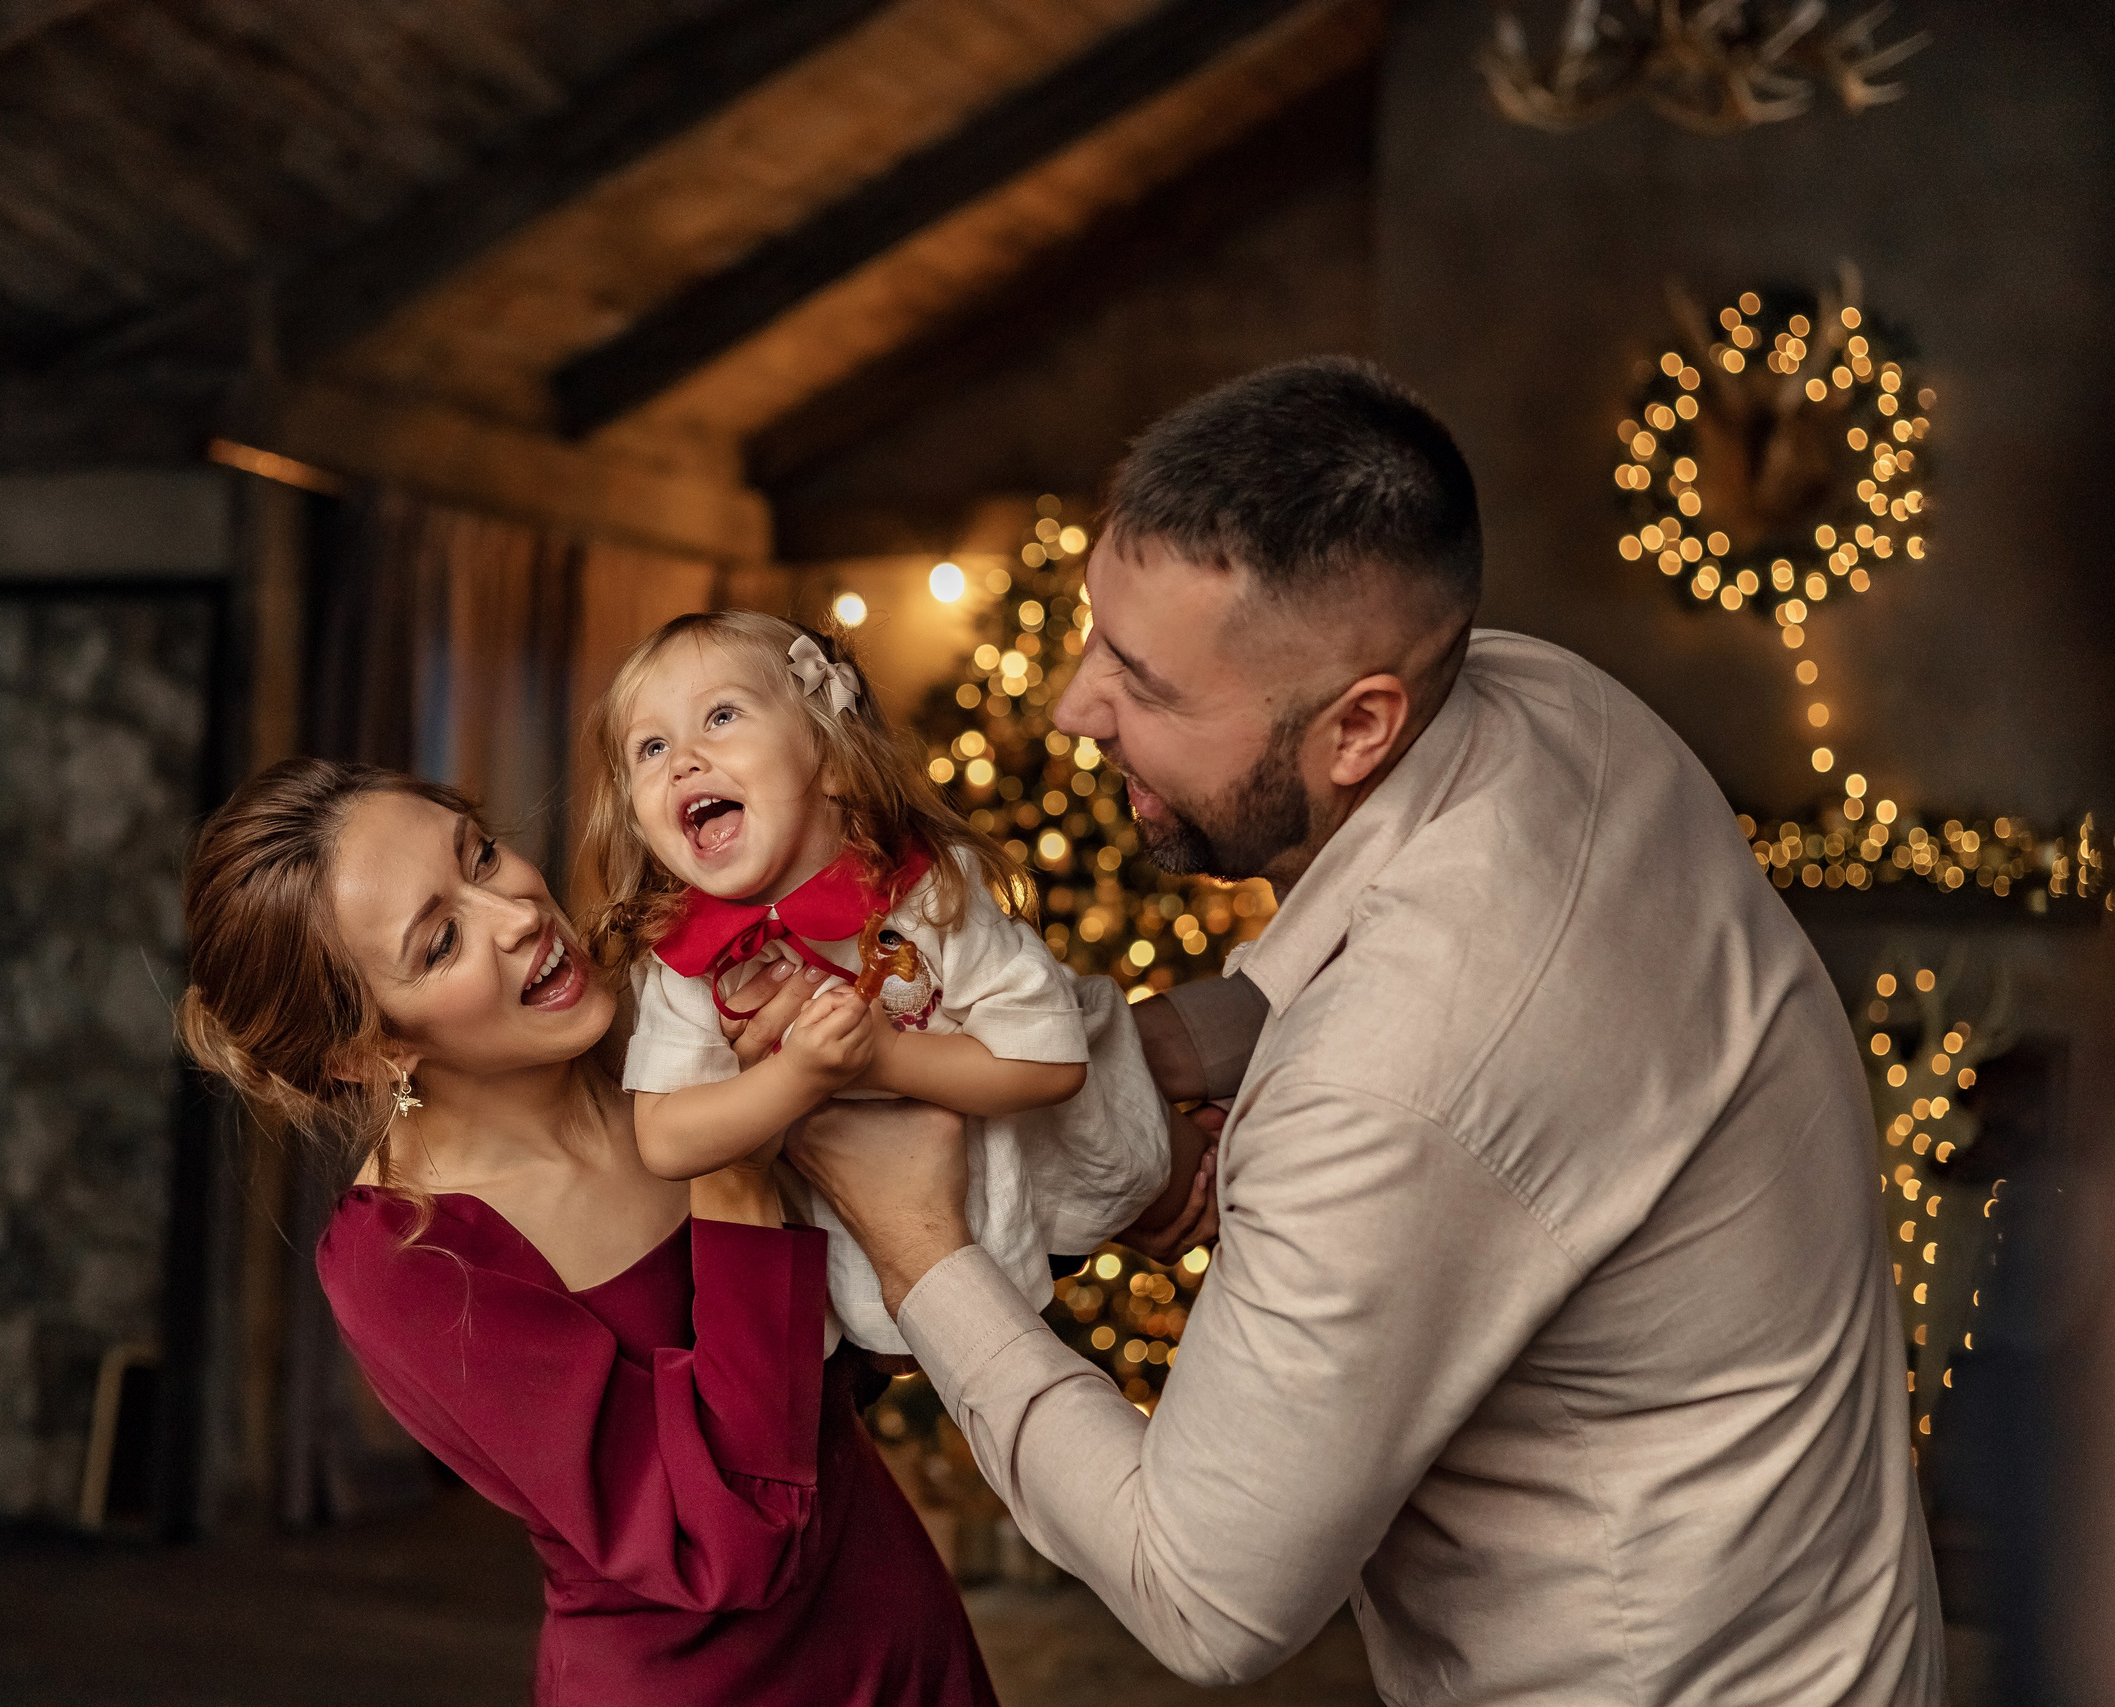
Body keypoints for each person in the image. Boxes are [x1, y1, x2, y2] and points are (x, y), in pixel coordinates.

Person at [773, 357, 1945, 1703]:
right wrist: (1150, 1072)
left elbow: (1203, 1590)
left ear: (1359, 727)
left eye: (1147, 686)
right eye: (1101, 635)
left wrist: (919, 1246)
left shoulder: (1393, 1074)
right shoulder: (1551, 699)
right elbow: (1345, 972)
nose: (1074, 706)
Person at [174, 759, 998, 1706]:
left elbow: (859, 1343)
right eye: (441, 940)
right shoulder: (409, 1259)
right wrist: (731, 1160)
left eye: (480, 854)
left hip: (900, 1628)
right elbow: (729, 1543)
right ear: (373, 1048)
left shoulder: (664, 1032)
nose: (517, 911)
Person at [578, 608, 1184, 1357]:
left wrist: (884, 1058)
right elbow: (666, 1138)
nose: (682, 760)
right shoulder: (682, 959)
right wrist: (798, 1077)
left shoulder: (927, 891)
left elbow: (1053, 1060)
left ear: (829, 758)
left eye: (722, 715)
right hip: (910, 1266)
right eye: (651, 746)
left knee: (1145, 1081)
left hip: (1054, 1168)